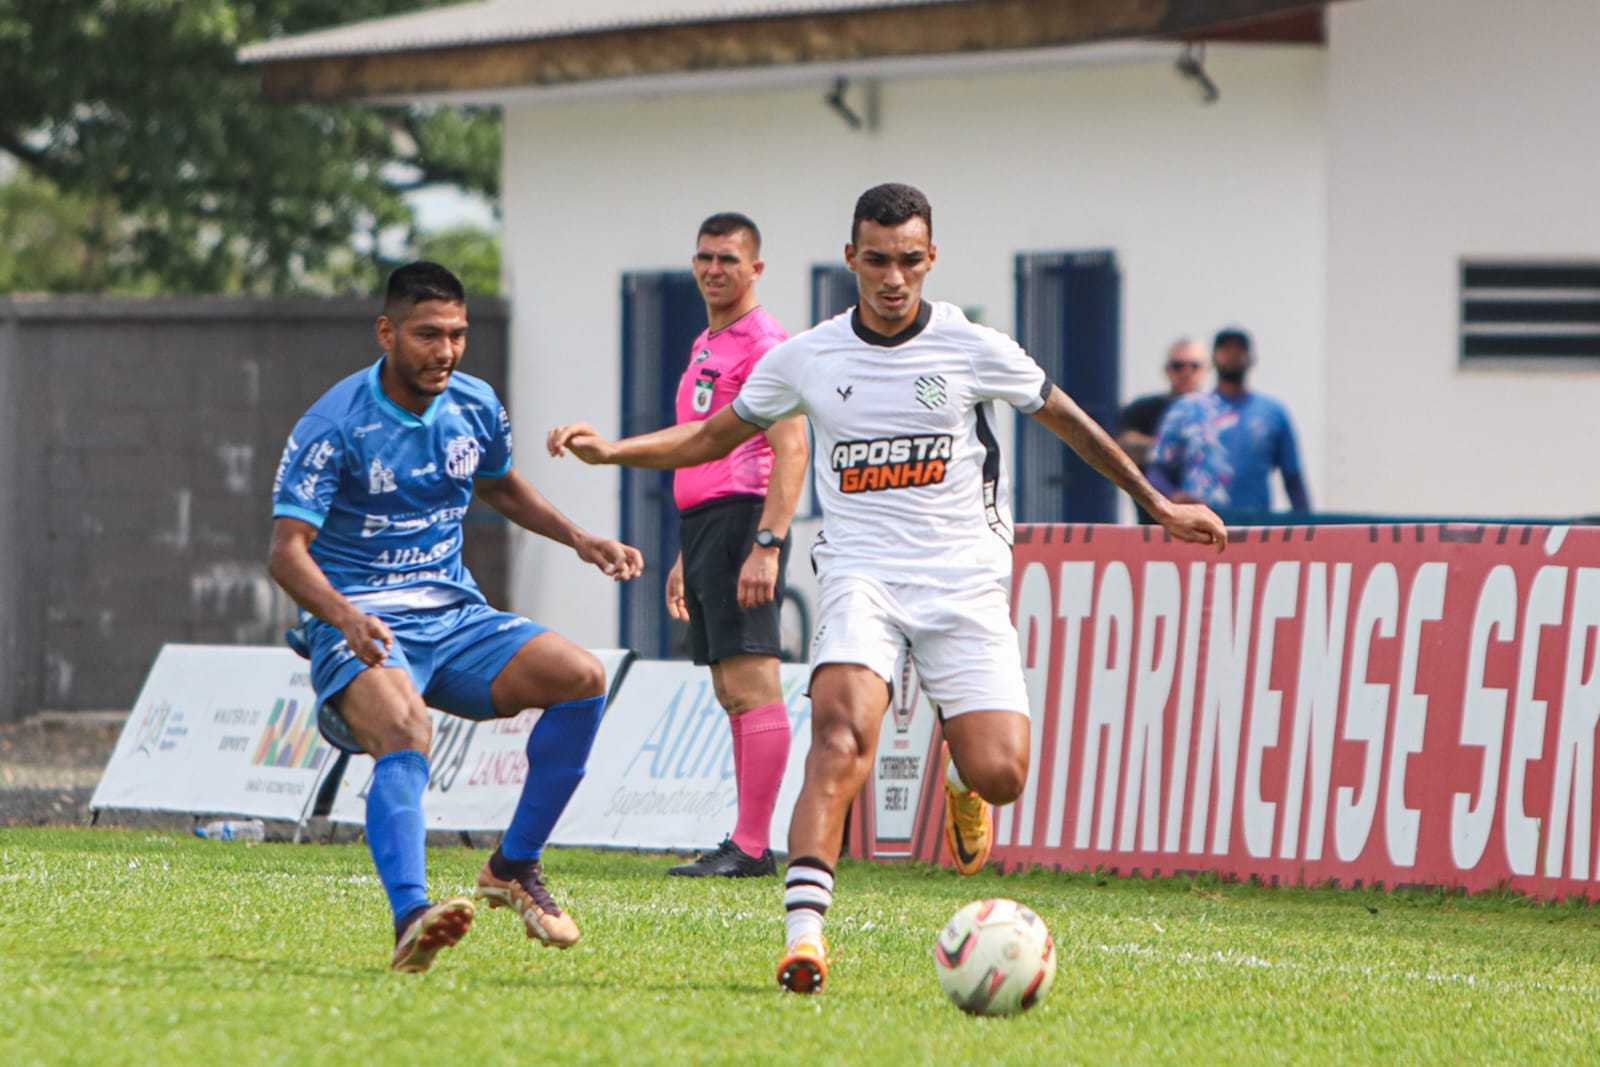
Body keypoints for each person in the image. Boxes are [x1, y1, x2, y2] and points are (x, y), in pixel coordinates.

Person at [546, 183, 1227, 995]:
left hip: (965, 577)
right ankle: (805, 938)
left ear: (931, 258)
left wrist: (1156, 504)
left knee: (1003, 772)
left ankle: (962, 780)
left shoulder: (974, 346)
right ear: (851, 260)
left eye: (909, 259)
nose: (893, 277)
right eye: (877, 260)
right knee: (840, 738)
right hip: (860, 575)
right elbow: (710, 434)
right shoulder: (808, 355)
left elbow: (1066, 416)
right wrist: (612, 452)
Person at [268, 261, 644, 973]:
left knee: (581, 675)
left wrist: (581, 538)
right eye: (427, 334)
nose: (445, 350)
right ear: (387, 332)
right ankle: (413, 916)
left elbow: (500, 485)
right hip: (364, 623)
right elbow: (286, 553)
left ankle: (512, 867)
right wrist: (344, 615)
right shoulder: (334, 424)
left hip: (454, 614)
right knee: (408, 728)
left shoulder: (474, 403)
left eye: (457, 334)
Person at [662, 213, 808, 878]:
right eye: (704, 258)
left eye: (727, 258)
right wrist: (681, 557)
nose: (713, 269)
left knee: (752, 682)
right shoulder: (707, 340)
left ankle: (752, 845)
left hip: (743, 518)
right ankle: (744, 840)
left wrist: (768, 543)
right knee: (730, 687)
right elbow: (698, 446)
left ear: (756, 268)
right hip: (705, 527)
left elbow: (791, 448)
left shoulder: (765, 344)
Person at [1147, 326, 1311, 515]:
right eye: (1225, 349)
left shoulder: (1273, 412)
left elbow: (1293, 478)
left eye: (1239, 349)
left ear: (1251, 358)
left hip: (1255, 527)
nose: (1232, 355)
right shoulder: (1187, 409)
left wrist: (1308, 531)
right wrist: (1173, 499)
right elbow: (1157, 470)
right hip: (1200, 527)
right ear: (1213, 358)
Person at [1116, 338, 1208, 523]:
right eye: (1178, 366)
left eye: (1194, 366)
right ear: (1167, 370)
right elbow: (1122, 447)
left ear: (1206, 370)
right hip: (1154, 520)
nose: (1186, 372)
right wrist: (1175, 447)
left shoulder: (1217, 413)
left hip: (1209, 518)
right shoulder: (1143, 409)